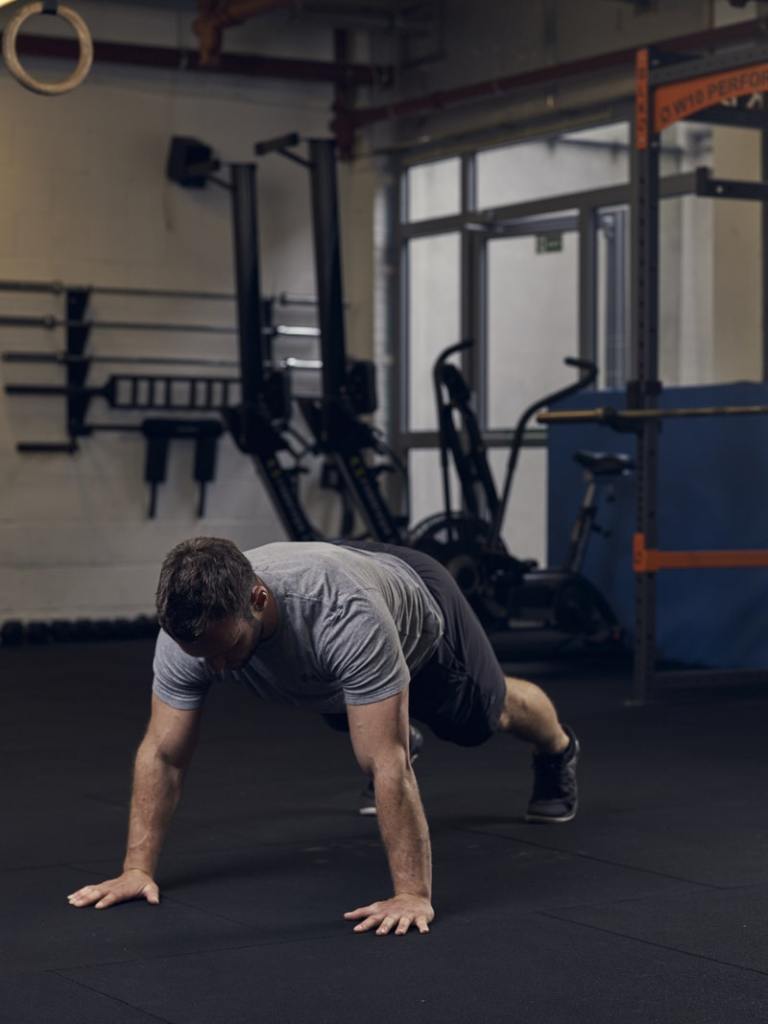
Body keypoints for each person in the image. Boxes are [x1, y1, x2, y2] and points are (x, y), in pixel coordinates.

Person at [67, 537, 580, 937]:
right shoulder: (190, 632)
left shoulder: (341, 615)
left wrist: (410, 895)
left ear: (258, 598)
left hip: (420, 614)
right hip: (337, 642)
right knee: (357, 715)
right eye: (206, 658)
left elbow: (388, 764)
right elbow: (163, 752)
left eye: (228, 650)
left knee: (483, 720)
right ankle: (382, 713)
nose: (218, 668)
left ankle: (558, 749)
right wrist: (135, 868)